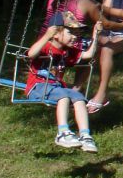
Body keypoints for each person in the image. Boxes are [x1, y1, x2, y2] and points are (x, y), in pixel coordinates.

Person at [25, 12, 102, 153]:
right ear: (55, 33)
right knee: (64, 96)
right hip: (38, 87)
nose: (75, 37)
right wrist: (46, 36)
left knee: (79, 97)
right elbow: (31, 53)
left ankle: (85, 135)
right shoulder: (45, 46)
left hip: (57, 87)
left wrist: (95, 34)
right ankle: (62, 133)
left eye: (76, 33)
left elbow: (89, 54)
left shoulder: (68, 51)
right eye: (71, 32)